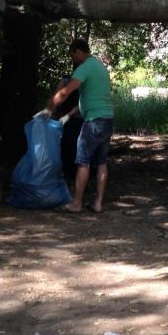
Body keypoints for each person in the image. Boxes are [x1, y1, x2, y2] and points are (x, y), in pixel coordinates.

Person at [47, 39, 114, 213]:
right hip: (108, 119)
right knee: (101, 162)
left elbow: (65, 92)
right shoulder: (99, 66)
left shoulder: (84, 68)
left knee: (83, 162)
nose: (73, 59)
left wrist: (49, 109)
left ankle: (76, 203)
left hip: (94, 121)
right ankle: (98, 203)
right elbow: (91, 97)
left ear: (78, 51)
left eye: (72, 55)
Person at [50, 76, 83, 180]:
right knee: (69, 145)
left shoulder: (71, 82)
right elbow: (57, 97)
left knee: (71, 146)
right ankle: (68, 172)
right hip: (70, 118)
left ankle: (70, 173)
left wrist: (67, 115)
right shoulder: (71, 81)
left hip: (75, 118)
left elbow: (79, 105)